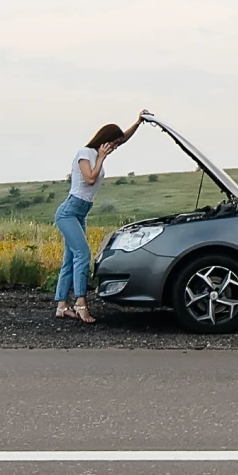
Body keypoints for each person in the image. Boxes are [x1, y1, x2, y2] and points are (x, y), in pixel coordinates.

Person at [54, 111, 145, 323]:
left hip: (81, 212)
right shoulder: (85, 153)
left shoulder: (101, 152)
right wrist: (102, 157)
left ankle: (61, 306)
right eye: (112, 144)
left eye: (115, 145)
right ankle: (80, 304)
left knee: (70, 259)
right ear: (104, 141)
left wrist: (138, 122)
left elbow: (123, 138)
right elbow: (90, 178)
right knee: (83, 255)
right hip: (68, 212)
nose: (114, 147)